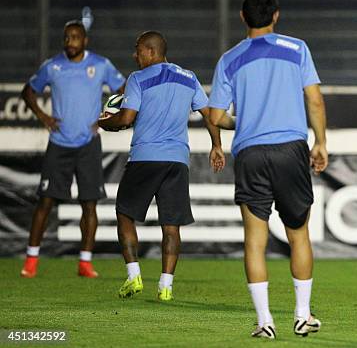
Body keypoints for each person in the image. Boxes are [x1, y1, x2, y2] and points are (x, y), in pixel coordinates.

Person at [208, 0, 328, 339]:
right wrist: (320, 142)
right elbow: (315, 100)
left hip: (250, 153)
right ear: (276, 15)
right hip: (291, 149)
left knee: (254, 239)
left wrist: (240, 120)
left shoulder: (229, 59)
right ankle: (302, 316)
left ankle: (264, 322)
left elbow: (216, 116)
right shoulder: (297, 49)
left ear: (243, 17)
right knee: (299, 235)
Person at [98, 31, 232, 301]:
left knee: (124, 214)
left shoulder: (137, 79)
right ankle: (166, 286)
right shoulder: (188, 77)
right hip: (177, 160)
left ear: (150, 51)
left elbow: (125, 119)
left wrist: (103, 122)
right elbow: (210, 115)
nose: (135, 56)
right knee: (171, 226)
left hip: (146, 158)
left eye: (137, 50)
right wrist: (216, 145)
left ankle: (133, 275)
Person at [20, 20, 125, 279]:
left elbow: (122, 89)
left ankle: (85, 262)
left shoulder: (100, 65)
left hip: (88, 145)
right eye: (67, 38)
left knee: (89, 204)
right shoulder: (52, 66)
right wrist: (44, 117)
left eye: (76, 37)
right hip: (59, 144)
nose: (71, 42)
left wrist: (104, 117)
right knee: (45, 202)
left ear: (85, 40)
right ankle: (31, 260)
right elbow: (28, 92)